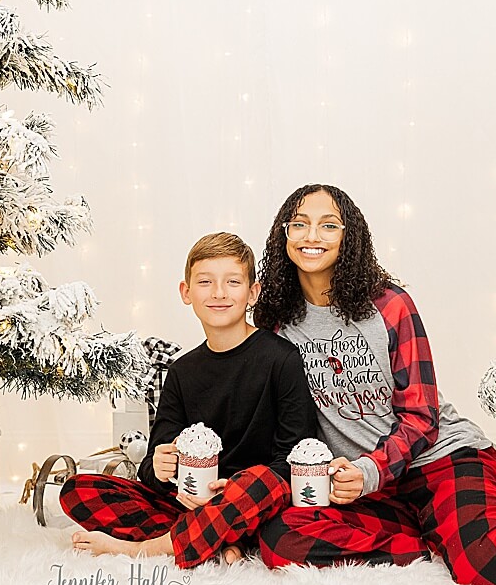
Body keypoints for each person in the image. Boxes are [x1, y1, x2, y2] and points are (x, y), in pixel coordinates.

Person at [252, 183, 496, 585]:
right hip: (366, 489)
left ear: (349, 237)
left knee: (489, 565)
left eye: (329, 225)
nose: (312, 236)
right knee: (281, 541)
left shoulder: (388, 304)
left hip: (439, 458)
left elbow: (421, 416)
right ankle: (441, 539)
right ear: (284, 234)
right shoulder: (276, 321)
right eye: (300, 224)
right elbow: (280, 420)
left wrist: (369, 470)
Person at [59, 232, 318, 567]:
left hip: (256, 502)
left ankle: (147, 549)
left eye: (233, 282)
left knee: (264, 482)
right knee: (78, 489)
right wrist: (160, 466)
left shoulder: (282, 359)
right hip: (192, 501)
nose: (219, 293)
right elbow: (152, 468)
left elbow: (293, 458)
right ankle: (221, 539)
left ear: (252, 293)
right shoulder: (182, 371)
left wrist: (233, 490)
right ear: (186, 292)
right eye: (206, 282)